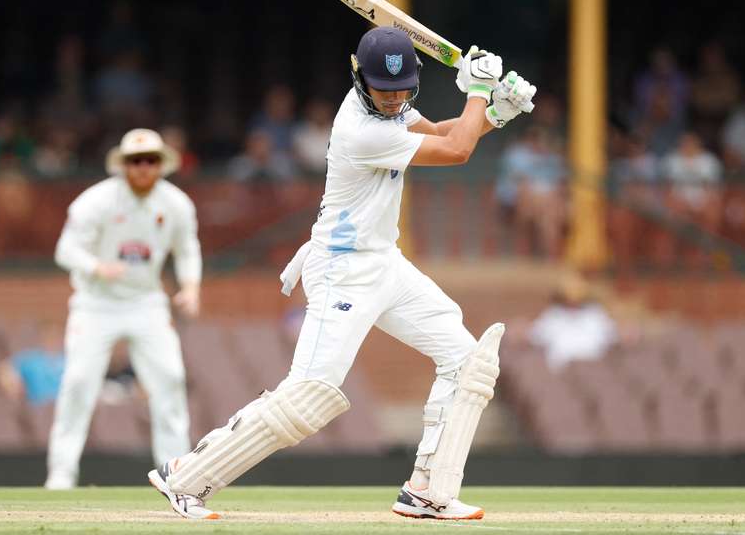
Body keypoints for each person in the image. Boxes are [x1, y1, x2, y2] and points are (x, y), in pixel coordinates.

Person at [148, 27, 536, 520]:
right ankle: (184, 476)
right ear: (360, 81)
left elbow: (443, 134)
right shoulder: (360, 129)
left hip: (384, 263)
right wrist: (480, 91)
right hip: (342, 272)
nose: (395, 101)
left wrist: (496, 110)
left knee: (467, 360)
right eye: (384, 90)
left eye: (402, 91)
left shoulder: (389, 111)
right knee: (310, 395)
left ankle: (428, 492)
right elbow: (456, 151)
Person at [45, 128, 202, 489]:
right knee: (79, 382)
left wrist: (191, 287)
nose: (143, 168)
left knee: (170, 380)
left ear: (162, 165)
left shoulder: (176, 204)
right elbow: (65, 250)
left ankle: (177, 475)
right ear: (124, 165)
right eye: (136, 161)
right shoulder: (96, 202)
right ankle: (61, 474)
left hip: (146, 301)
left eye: (151, 161)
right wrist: (96, 267)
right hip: (95, 302)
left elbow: (187, 249)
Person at [528, 274, 618, 371]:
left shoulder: (595, 314)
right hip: (562, 367)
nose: (573, 302)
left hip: (592, 366)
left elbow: (613, 334)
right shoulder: (553, 315)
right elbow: (535, 334)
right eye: (568, 298)